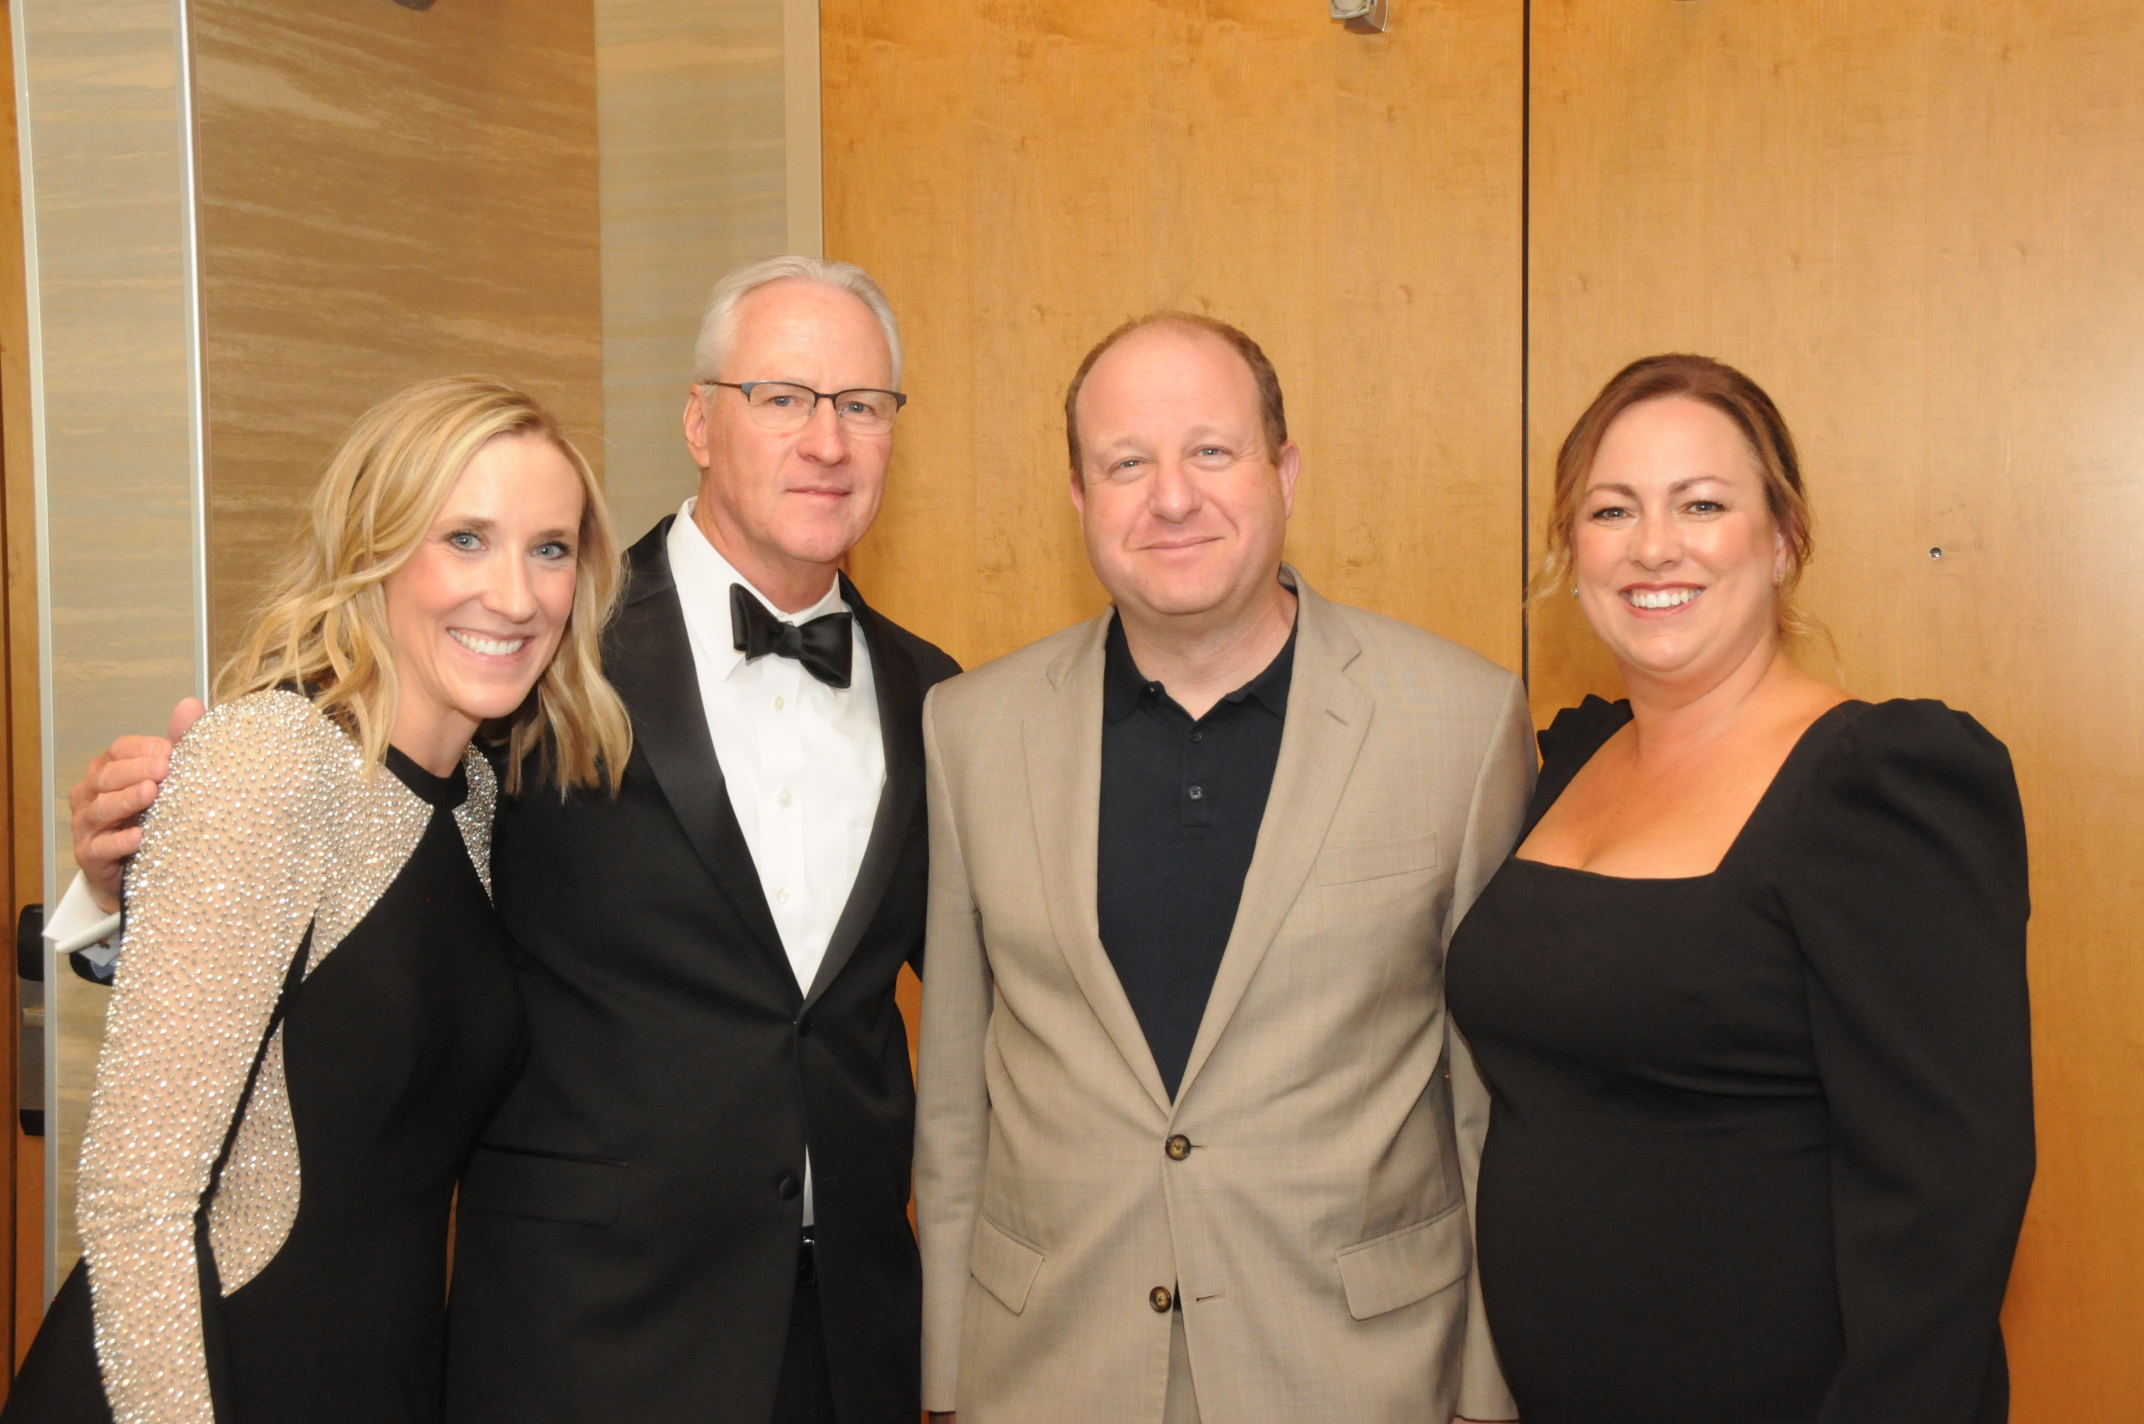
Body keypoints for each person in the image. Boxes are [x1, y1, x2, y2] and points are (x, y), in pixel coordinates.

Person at [62, 258, 957, 1424]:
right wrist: (123, 886)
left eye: (861, 405)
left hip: (843, 1339)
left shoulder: (937, 699)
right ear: (698, 418)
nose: (825, 440)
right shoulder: (535, 667)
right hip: (576, 1342)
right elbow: (328, 858)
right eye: (781, 397)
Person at [913, 313, 1528, 1424]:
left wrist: (1487, 1388)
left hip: (1362, 1370)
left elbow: (1488, 1100)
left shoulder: (1461, 719)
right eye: (1124, 462)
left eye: (1210, 449)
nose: (1171, 496)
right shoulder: (968, 728)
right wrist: (947, 1379)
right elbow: (955, 1099)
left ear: (1283, 470)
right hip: (1048, 1370)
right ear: (1078, 497)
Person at [5, 376, 632, 1424]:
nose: (516, 597)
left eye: (550, 547)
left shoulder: (474, 797)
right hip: (194, 1381)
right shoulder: (274, 758)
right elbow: (136, 1204)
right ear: (375, 547)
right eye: (465, 538)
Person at [1443, 354, 2035, 1424]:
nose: (1652, 545)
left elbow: (1947, 1203)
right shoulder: (1571, 760)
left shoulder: (1876, 781)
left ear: (1781, 540)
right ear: (1569, 550)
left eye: (1701, 504)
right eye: (1609, 509)